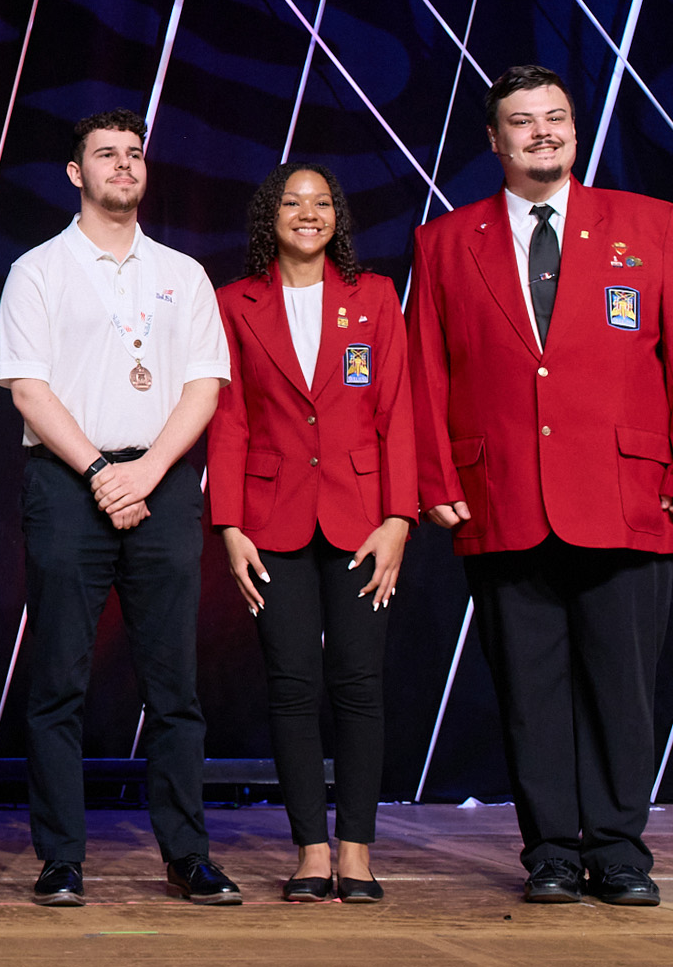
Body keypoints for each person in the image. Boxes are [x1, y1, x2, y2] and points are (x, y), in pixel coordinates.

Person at [409, 64, 673, 907]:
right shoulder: (445, 241)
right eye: (522, 119)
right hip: (500, 492)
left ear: (574, 128)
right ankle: (549, 848)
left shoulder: (650, 225)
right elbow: (424, 369)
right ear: (494, 137)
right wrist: (434, 475)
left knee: (621, 687)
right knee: (528, 686)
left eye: (556, 116)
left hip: (628, 492)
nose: (542, 130)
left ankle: (619, 850)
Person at [0, 109, 237, 905]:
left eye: (134, 154)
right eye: (106, 154)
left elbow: (205, 383)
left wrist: (149, 468)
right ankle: (61, 856)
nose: (124, 166)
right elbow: (27, 387)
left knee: (175, 686)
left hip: (162, 483)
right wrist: (102, 468)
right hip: (69, 482)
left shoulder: (182, 271)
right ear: (76, 173)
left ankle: (187, 854)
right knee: (59, 680)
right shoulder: (38, 269)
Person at [208, 163, 413, 903]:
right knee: (291, 686)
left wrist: (399, 518)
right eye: (292, 201)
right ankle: (310, 851)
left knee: (359, 683)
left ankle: (355, 851)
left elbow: (398, 409)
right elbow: (228, 420)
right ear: (271, 215)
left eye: (322, 201)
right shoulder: (234, 303)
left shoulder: (375, 296)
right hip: (272, 520)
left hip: (363, 518)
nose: (308, 212)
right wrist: (228, 523)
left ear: (338, 217)